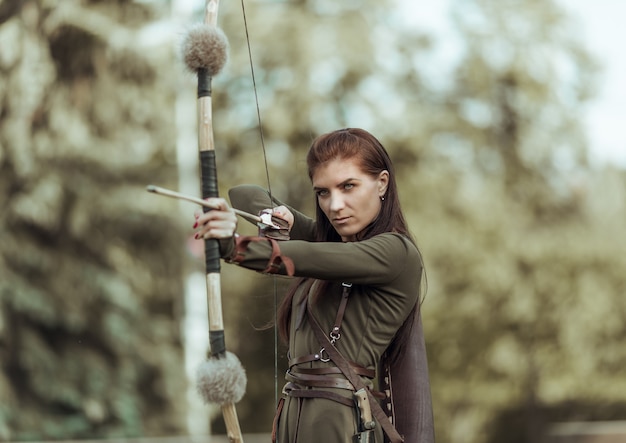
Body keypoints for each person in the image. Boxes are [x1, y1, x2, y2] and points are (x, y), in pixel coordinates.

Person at [194, 128, 435, 443]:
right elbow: (244, 193)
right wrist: (286, 220)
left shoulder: (396, 253)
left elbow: (309, 255)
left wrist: (233, 245)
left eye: (348, 186)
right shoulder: (328, 241)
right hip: (292, 415)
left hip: (339, 420)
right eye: (323, 192)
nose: (335, 205)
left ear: (382, 183)